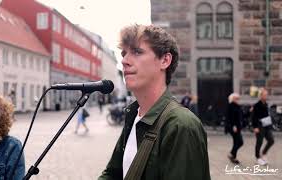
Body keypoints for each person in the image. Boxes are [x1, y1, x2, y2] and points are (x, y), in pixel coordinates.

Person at [98, 24, 210, 180]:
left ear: (165, 60)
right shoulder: (133, 115)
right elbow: (113, 174)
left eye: (137, 52)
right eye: (124, 53)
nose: (124, 60)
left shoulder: (181, 126)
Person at [252, 88, 274, 165]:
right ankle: (258, 158)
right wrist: (255, 127)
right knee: (259, 142)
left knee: (271, 140)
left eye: (266, 95)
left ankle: (264, 153)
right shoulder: (256, 105)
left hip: (267, 125)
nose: (266, 96)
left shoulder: (266, 104)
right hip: (259, 125)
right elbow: (253, 117)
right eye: (264, 95)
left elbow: (267, 115)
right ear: (260, 96)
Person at [226, 93, 244, 164]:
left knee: (237, 142)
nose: (238, 100)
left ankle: (233, 157)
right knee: (239, 142)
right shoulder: (230, 106)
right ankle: (232, 154)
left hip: (238, 127)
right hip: (233, 127)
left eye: (238, 98)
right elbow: (229, 117)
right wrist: (233, 126)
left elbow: (242, 116)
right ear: (232, 99)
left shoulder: (238, 106)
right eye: (236, 98)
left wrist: (249, 112)